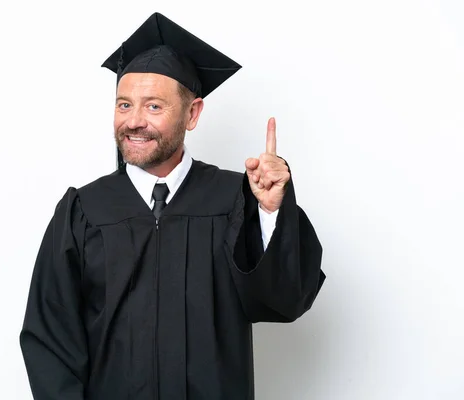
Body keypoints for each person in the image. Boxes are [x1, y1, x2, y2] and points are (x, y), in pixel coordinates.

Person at [19, 12, 326, 400]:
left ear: (192, 113)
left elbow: (284, 301)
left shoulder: (235, 199)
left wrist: (269, 213)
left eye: (153, 107)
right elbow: (50, 337)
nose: (133, 121)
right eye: (124, 105)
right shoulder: (83, 210)